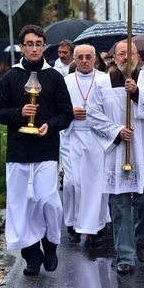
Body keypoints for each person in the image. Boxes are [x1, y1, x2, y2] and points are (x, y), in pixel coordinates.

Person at [0, 24, 74, 276]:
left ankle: (50, 246)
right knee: (21, 205)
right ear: (22, 47)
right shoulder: (11, 77)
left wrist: (50, 124)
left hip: (46, 150)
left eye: (39, 43)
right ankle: (32, 256)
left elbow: (66, 114)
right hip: (18, 152)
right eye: (30, 44)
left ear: (43, 45)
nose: (35, 48)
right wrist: (20, 113)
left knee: (47, 200)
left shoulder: (54, 77)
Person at [87, 40, 144, 274]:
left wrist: (138, 93)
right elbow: (93, 115)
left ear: (138, 56)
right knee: (120, 206)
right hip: (117, 152)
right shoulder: (103, 83)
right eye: (121, 54)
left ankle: (142, 236)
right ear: (113, 58)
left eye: (130, 53)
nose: (125, 58)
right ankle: (124, 254)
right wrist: (116, 132)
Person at [61, 44, 111, 247]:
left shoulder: (104, 80)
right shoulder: (65, 81)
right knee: (72, 183)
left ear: (95, 59)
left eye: (88, 57)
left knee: (96, 186)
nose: (83, 61)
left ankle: (97, 227)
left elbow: (111, 109)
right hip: (72, 135)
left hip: (96, 139)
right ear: (74, 59)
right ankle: (72, 223)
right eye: (79, 57)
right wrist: (70, 112)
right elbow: (58, 108)